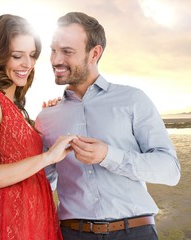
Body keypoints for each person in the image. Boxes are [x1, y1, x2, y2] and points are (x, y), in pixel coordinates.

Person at [35, 12, 181, 239]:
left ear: (94, 53)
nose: (55, 60)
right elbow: (44, 185)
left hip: (135, 232)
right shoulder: (47, 117)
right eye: (53, 50)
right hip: (72, 234)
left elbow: (170, 170)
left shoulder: (133, 99)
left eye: (67, 52)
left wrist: (108, 156)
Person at [0, 14, 76, 239]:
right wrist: (48, 157)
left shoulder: (15, 107)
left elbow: (18, 156)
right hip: (6, 222)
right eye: (17, 56)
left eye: (32, 55)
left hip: (32, 218)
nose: (28, 64)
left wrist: (46, 118)